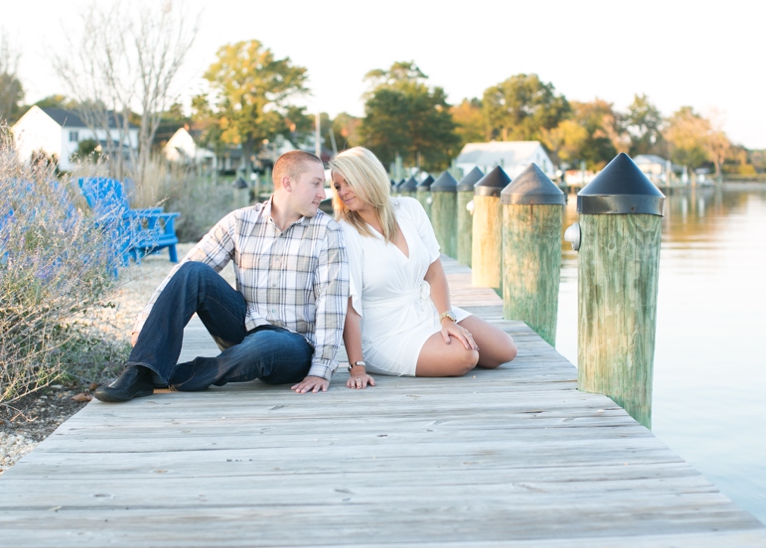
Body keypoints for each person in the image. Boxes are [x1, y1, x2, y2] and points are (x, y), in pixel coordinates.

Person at [94, 151, 349, 402]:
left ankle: (173, 375)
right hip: (245, 329)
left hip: (294, 345)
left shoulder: (327, 232)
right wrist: (145, 324)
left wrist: (321, 369)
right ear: (287, 183)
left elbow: (331, 304)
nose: (322, 194)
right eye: (316, 184)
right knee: (194, 271)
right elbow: (184, 271)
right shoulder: (240, 221)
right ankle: (139, 370)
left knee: (265, 344)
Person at [328, 147, 516, 389]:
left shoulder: (409, 208)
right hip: (386, 332)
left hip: (426, 308)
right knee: (465, 357)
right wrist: (357, 367)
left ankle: (439, 347)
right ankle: (441, 353)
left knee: (505, 349)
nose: (343, 191)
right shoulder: (344, 231)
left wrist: (447, 319)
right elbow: (350, 307)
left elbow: (434, 272)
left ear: (369, 176)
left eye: (348, 182)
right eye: (337, 186)